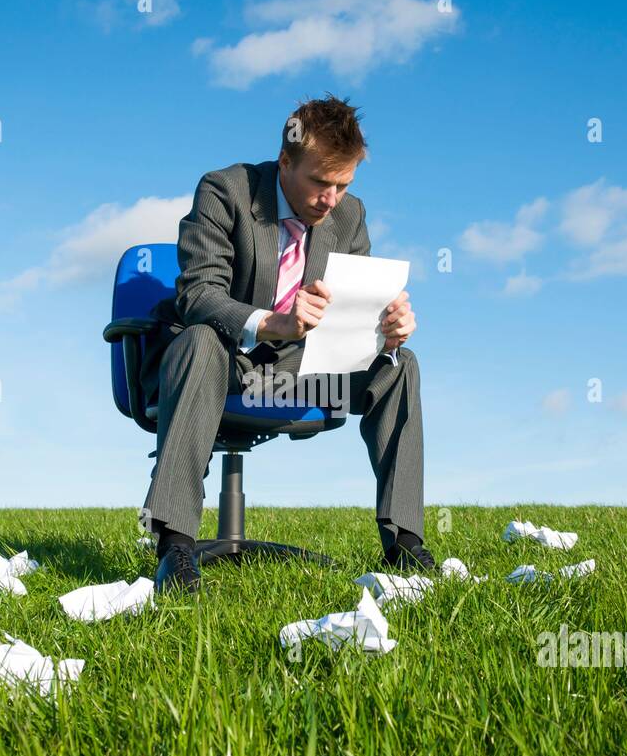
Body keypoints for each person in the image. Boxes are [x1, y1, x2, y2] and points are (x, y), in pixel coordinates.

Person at [141, 94, 428, 593]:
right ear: (285, 162)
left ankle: (405, 544)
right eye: (320, 181)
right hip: (225, 360)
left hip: (301, 372)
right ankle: (176, 548)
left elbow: (353, 308)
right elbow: (197, 295)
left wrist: (385, 331)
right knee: (200, 340)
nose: (331, 198)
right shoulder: (224, 191)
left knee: (400, 365)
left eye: (343, 185)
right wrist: (273, 323)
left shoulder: (348, 215)